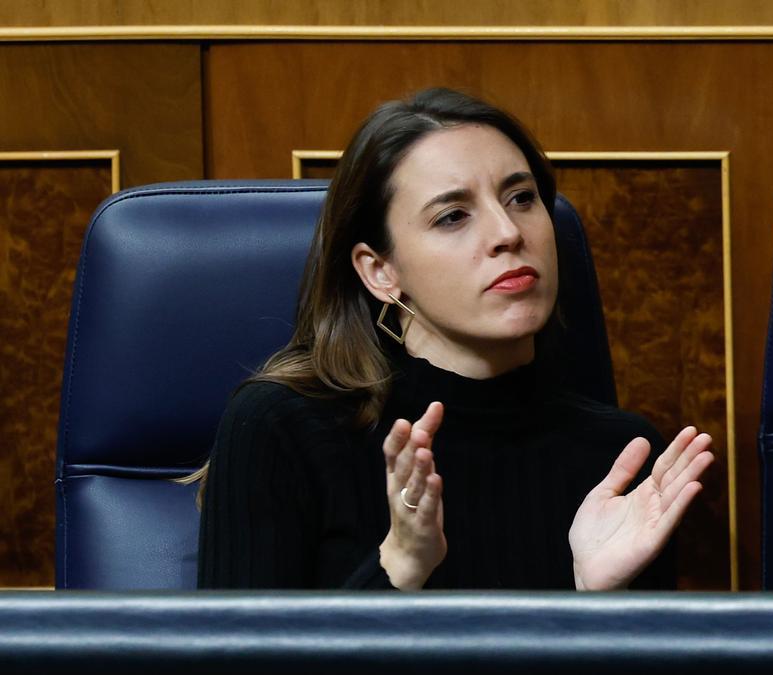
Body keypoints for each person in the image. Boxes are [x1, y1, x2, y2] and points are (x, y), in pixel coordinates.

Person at [194, 88, 715, 590]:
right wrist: (398, 567)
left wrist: (600, 606)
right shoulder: (281, 427)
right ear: (380, 271)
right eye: (453, 216)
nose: (508, 232)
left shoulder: (624, 455)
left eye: (521, 197)